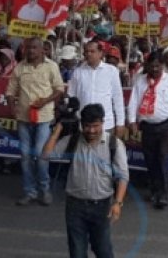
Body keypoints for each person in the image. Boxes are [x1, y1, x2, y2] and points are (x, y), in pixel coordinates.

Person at [43, 103, 129, 258]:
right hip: (75, 206)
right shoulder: (72, 141)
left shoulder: (114, 144)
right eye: (87, 126)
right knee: (77, 252)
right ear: (81, 124)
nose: (91, 131)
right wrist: (57, 132)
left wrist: (118, 203)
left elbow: (122, 176)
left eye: (95, 126)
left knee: (103, 250)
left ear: (102, 123)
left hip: (102, 206)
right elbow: (46, 155)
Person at [5, 37, 65, 206]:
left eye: (33, 48)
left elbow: (59, 89)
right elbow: (10, 91)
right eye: (27, 48)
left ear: (42, 50)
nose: (30, 51)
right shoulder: (19, 67)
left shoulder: (51, 66)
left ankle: (44, 189)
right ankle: (29, 191)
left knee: (40, 155)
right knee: (25, 157)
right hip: (23, 118)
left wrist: (45, 101)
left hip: (44, 118)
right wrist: (11, 107)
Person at [127, 52, 168, 209]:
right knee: (150, 160)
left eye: (158, 65)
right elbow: (133, 102)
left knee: (163, 159)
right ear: (148, 66)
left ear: (163, 66)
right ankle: (154, 189)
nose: (155, 68)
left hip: (166, 126)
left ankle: (163, 194)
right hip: (147, 127)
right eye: (152, 65)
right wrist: (132, 121)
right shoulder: (140, 81)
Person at [67, 41, 126, 139]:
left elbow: (118, 98)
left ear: (100, 53)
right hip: (84, 125)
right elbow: (71, 97)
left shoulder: (111, 71)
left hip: (106, 124)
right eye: (86, 51)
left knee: (105, 153)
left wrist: (120, 122)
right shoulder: (78, 72)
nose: (88, 54)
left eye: (92, 51)